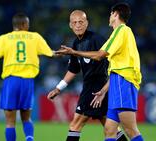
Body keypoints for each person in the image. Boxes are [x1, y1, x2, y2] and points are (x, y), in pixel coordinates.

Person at [56, 3, 144, 141]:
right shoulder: (118, 33)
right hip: (115, 82)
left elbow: (99, 55)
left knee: (130, 129)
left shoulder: (122, 31)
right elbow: (113, 67)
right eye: (75, 22)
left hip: (124, 82)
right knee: (109, 130)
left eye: (110, 14)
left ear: (115, 14)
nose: (109, 17)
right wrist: (103, 91)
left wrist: (73, 52)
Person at [0, 13, 56, 141]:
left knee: (10, 122)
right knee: (26, 118)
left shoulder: (4, 39)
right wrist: (69, 52)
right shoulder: (35, 37)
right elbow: (52, 54)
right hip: (27, 82)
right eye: (28, 24)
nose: (29, 26)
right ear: (23, 24)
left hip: (11, 82)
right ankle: (29, 139)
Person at [47, 10, 127, 141]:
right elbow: (73, 70)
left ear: (87, 23)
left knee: (76, 124)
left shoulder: (96, 39)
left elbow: (103, 57)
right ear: (70, 25)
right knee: (110, 127)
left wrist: (75, 53)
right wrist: (58, 88)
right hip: (100, 88)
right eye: (75, 22)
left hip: (96, 87)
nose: (78, 25)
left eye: (81, 22)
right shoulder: (75, 44)